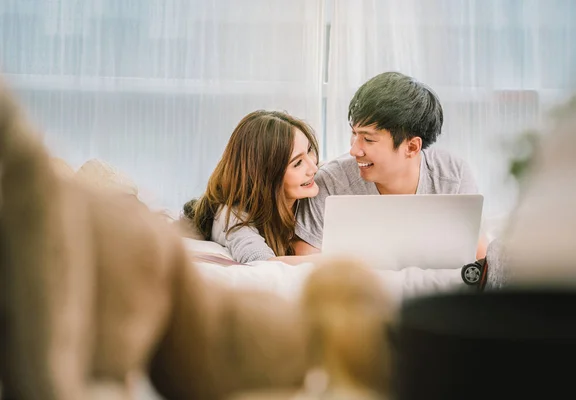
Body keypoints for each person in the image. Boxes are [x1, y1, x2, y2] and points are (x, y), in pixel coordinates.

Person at [294, 71, 488, 260]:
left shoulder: (453, 176)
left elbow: (478, 258)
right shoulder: (331, 182)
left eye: (368, 139)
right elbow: (304, 260)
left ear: (412, 147)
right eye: (354, 134)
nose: (354, 150)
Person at [186, 110, 322, 264]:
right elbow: (262, 262)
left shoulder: (311, 190)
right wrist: (336, 261)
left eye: (309, 150)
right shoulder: (232, 216)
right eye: (297, 163)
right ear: (266, 176)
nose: (314, 167)